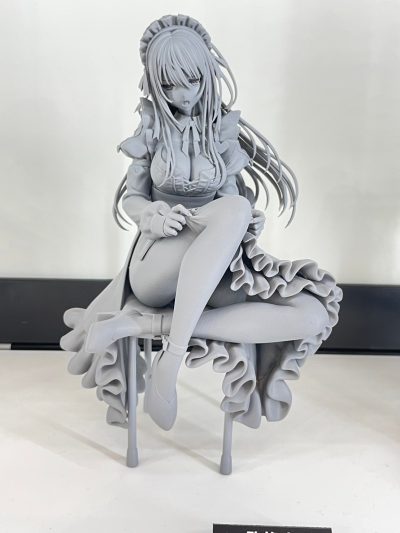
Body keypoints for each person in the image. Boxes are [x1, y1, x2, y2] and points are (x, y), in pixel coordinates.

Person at [61, 14, 342, 432]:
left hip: (212, 263)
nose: (183, 94)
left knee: (312, 313)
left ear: (208, 75)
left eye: (191, 81)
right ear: (155, 85)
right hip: (158, 261)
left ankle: (147, 326)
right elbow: (133, 197)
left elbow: (228, 201)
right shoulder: (153, 129)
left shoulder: (222, 132)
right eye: (169, 86)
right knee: (235, 209)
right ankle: (171, 359)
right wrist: (151, 215)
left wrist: (242, 224)